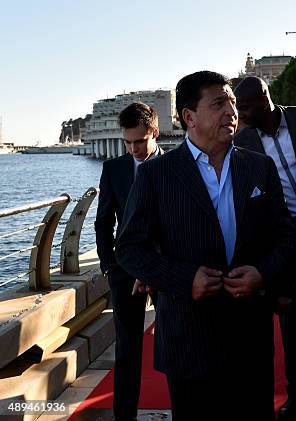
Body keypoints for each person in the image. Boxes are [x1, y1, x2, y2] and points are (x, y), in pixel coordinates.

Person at [115, 71, 295, 420]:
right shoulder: (157, 175)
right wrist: (186, 280)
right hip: (189, 339)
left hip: (250, 337)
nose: (231, 110)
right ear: (189, 117)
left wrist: (262, 273)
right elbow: (130, 248)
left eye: (231, 102)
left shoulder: (260, 167)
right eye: (218, 103)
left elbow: (285, 235)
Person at [234, 76, 296, 421]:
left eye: (245, 107)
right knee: (290, 328)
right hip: (283, 243)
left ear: (264, 98)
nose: (240, 114)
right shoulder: (243, 139)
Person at [94, 101, 162, 421]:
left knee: (177, 345)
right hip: (124, 271)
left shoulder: (177, 165)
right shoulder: (114, 169)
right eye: (128, 142)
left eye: (140, 141)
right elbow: (103, 222)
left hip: (167, 270)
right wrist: (109, 266)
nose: (134, 148)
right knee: (127, 350)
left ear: (155, 133)